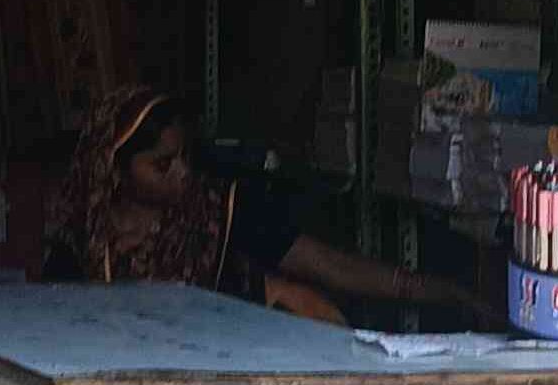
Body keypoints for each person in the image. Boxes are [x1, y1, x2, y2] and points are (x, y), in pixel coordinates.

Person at [40, 87, 475, 323]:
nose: (183, 173)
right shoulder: (79, 241)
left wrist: (446, 293)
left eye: (184, 157)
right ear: (114, 170)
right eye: (162, 165)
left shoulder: (218, 211)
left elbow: (330, 266)